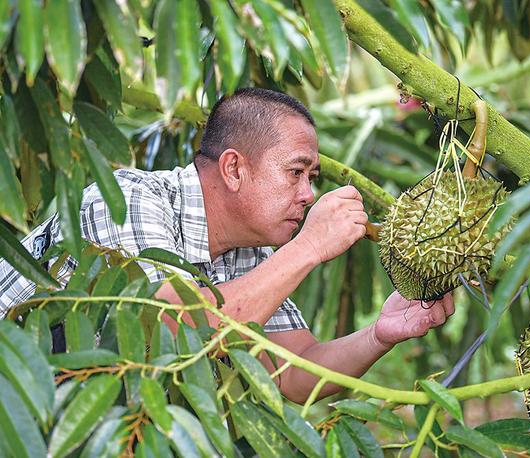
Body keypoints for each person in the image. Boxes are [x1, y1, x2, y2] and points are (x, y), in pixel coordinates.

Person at [0, 88, 454, 403]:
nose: (308, 194)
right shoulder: (128, 199)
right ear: (234, 169)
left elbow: (295, 373)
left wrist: (380, 334)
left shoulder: (249, 252)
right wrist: (310, 247)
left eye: (312, 178)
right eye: (296, 173)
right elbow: (168, 329)